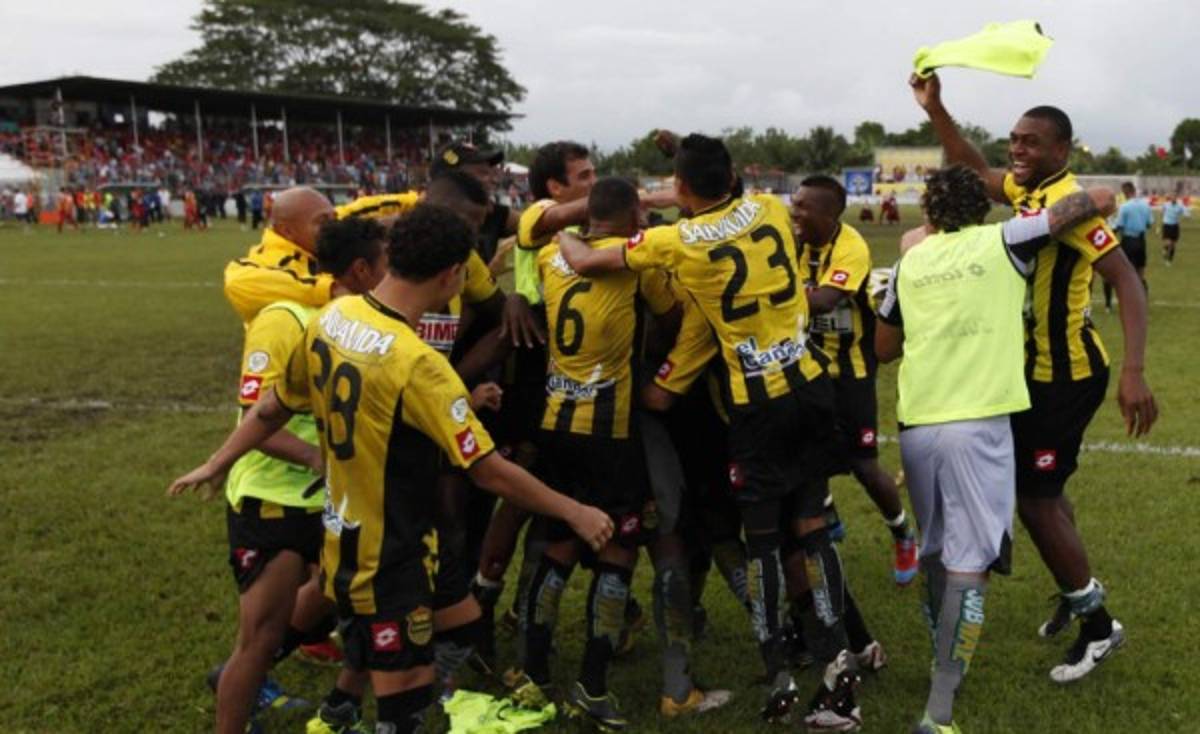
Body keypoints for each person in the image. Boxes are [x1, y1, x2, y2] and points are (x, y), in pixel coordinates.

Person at [169, 204, 614, 734]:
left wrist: (219, 460)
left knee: (459, 625)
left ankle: (339, 708)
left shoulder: (333, 319)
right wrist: (577, 511)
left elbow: (272, 406)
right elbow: (488, 471)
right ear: (451, 276)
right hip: (389, 555)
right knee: (407, 708)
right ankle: (359, 707)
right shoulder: (418, 363)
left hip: (345, 536)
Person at [557, 133, 861, 730]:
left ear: (681, 189)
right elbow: (720, 203)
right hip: (810, 383)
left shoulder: (674, 243)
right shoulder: (772, 208)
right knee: (814, 528)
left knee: (766, 541)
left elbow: (586, 259)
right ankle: (839, 658)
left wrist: (554, 229)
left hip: (759, 406)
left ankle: (781, 673)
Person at [912, 71, 1157, 684]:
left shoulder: (1069, 206)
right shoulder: (1028, 194)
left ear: (1061, 151)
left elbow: (1126, 280)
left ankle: (1099, 626)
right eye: (1014, 140)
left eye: (1031, 142)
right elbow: (971, 165)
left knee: (1035, 499)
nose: (1017, 150)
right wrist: (936, 109)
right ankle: (1074, 592)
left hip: (1066, 374)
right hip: (1032, 372)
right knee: (1043, 491)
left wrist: (1134, 371)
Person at [875, 166, 1117, 734]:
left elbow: (884, 348)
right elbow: (1098, 198)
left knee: (936, 554)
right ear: (981, 209)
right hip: (976, 427)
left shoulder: (912, 260)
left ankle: (944, 662)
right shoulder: (1005, 238)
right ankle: (939, 711)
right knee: (967, 566)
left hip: (916, 425)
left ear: (928, 214)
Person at [174, 216, 390, 734]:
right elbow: (260, 417)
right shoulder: (284, 319)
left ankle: (332, 701)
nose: (393, 272)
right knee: (260, 638)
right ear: (359, 271)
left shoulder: (359, 323)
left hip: (330, 497)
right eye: (386, 263)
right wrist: (318, 458)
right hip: (273, 498)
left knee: (342, 597)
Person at [791, 175, 917, 585]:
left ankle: (902, 534)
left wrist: (769, 297)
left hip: (851, 374)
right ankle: (826, 513)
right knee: (803, 454)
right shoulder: (791, 243)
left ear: (830, 214)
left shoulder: (851, 247)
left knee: (864, 467)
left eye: (804, 207)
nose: (795, 212)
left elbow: (827, 299)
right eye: (794, 203)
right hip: (804, 368)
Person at [224, 187, 338, 324]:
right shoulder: (268, 262)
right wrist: (330, 289)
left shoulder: (319, 249)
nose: (334, 227)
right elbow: (237, 283)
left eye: (335, 219)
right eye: (323, 221)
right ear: (287, 231)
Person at [1104, 182, 1152, 310]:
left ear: (1125, 192)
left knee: (1122, 273)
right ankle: (1144, 303)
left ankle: (1114, 304)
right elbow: (1149, 224)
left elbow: (1119, 225)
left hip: (1128, 241)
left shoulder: (1125, 207)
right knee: (1140, 273)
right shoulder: (1145, 205)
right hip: (1141, 241)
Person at [1160, 194, 1189, 265]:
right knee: (1168, 242)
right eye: (1172, 198)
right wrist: (1163, 215)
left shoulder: (1180, 205)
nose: (1173, 199)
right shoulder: (1166, 204)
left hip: (1175, 225)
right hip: (1167, 224)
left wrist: (1187, 215)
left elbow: (1185, 212)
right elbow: (1162, 210)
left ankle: (1169, 260)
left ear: (1176, 198)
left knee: (1173, 244)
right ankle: (1165, 249)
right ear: (1170, 198)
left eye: (1174, 198)